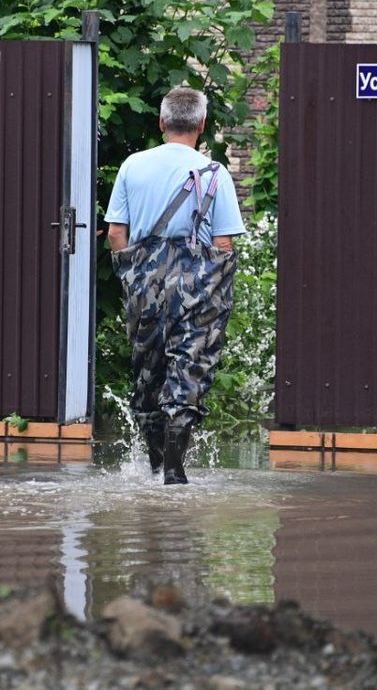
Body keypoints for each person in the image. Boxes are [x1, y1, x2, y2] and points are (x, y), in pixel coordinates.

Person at [104, 87, 246, 484]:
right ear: (201, 125)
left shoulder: (133, 165)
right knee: (190, 367)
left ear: (162, 122)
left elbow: (116, 232)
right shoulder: (215, 173)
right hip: (198, 285)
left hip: (145, 283)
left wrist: (134, 276)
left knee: (149, 370)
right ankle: (174, 469)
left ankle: (151, 467)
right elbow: (224, 243)